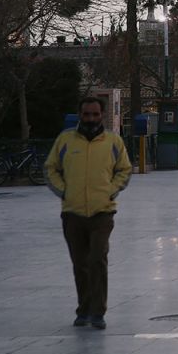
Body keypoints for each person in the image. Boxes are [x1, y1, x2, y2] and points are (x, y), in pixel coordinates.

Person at [44, 96, 132, 330]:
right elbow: (51, 168)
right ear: (79, 115)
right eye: (86, 114)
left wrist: (110, 191)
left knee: (97, 259)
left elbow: (124, 169)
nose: (90, 118)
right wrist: (64, 191)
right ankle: (83, 309)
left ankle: (98, 311)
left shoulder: (113, 141)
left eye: (95, 114)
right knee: (80, 264)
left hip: (102, 212)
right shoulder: (65, 141)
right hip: (72, 213)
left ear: (101, 115)